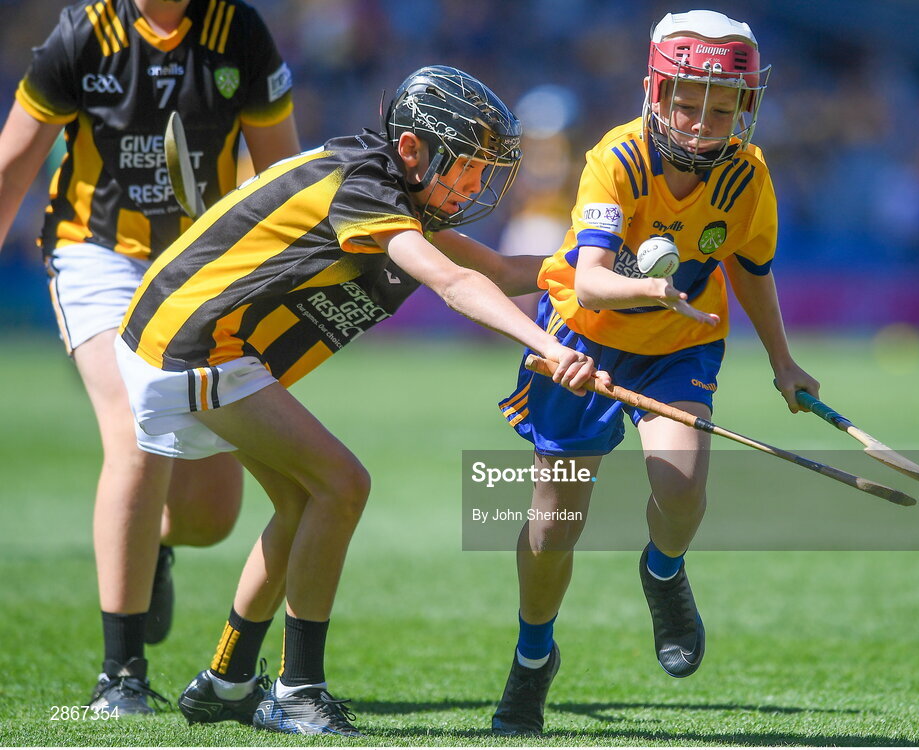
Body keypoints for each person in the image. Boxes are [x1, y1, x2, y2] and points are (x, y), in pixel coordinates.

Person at [114, 65, 601, 736]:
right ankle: (296, 691)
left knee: (301, 501)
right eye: (465, 167)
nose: (475, 185)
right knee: (342, 486)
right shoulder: (368, 188)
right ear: (412, 150)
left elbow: (514, 272)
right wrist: (547, 347)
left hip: (205, 346)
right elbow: (456, 285)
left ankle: (227, 681)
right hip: (191, 346)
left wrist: (607, 263)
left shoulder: (396, 198)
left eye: (485, 173)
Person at [490, 10, 821, 735]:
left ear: (746, 106)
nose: (703, 120)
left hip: (680, 347)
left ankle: (663, 572)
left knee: (680, 488)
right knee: (553, 530)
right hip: (583, 344)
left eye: (723, 104)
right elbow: (594, 280)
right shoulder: (616, 158)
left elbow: (751, 267)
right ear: (657, 93)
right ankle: (534, 656)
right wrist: (651, 288)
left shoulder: (748, 174)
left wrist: (784, 362)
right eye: (687, 100)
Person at [0, 0, 300, 713]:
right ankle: (121, 673)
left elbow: (283, 174)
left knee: (210, 516)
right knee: (137, 429)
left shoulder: (239, 33)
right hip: (97, 256)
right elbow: (13, 161)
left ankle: (155, 541)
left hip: (202, 270)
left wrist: (276, 286)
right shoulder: (82, 34)